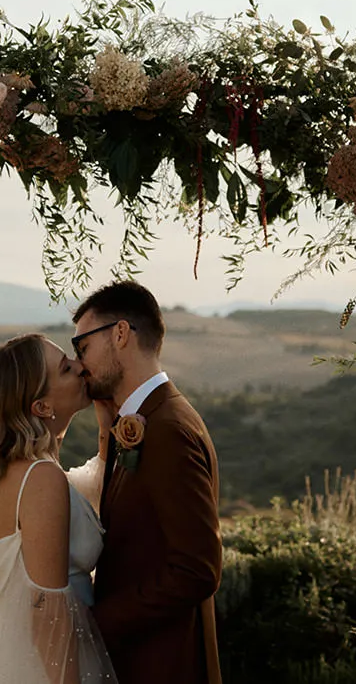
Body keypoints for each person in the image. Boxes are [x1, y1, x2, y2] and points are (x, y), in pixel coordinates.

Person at [72, 280, 222, 684]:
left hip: (162, 663)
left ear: (120, 334)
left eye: (82, 347)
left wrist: (98, 620)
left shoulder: (168, 428)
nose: (79, 363)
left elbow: (197, 569)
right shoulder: (147, 419)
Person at [0, 333, 118, 684]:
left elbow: (84, 492)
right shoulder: (41, 477)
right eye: (66, 368)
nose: (81, 368)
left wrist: (107, 424)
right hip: (57, 666)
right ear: (41, 407)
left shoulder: (11, 472)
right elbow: (47, 608)